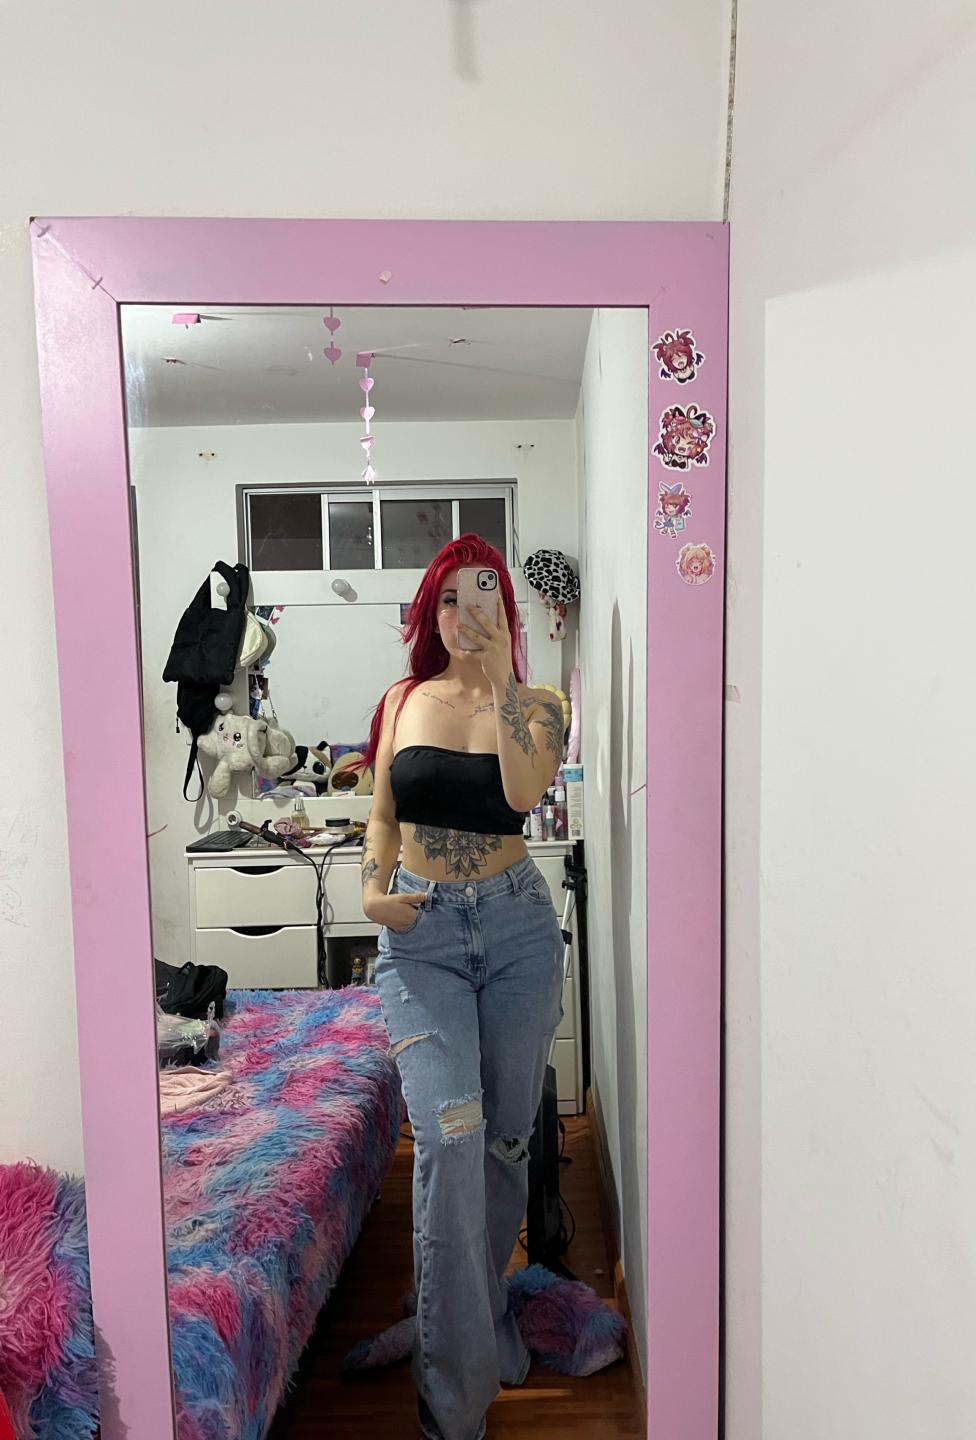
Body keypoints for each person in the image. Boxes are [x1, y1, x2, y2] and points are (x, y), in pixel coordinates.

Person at [360, 535, 567, 1440]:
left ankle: (473, 1319)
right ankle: (453, 1407)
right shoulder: (401, 701)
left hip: (518, 931)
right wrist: (372, 889)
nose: (462, 612)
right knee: (450, 1140)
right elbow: (381, 815)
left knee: (505, 1145)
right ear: (427, 611)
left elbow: (521, 796)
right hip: (423, 939)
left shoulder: (540, 704)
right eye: (447, 598)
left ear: (506, 609)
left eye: (481, 594)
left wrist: (503, 679)